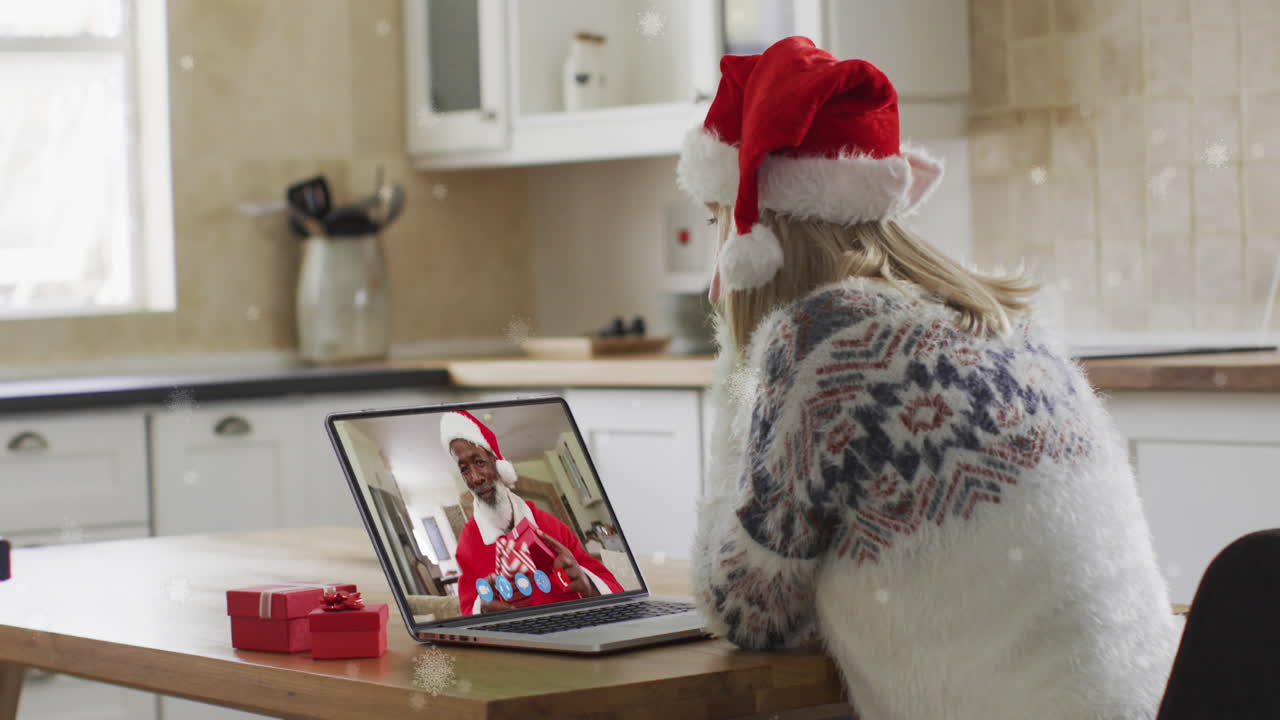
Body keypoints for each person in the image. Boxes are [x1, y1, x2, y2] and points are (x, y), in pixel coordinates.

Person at [679, 36, 1186, 719]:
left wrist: (734, 368)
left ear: (756, 239)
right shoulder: (1005, 322)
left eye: (718, 222)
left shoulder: (818, 344)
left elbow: (746, 612)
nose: (714, 280)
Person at [442, 410, 623, 615]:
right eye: (464, 469)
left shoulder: (549, 524)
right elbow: (468, 612)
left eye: (480, 462)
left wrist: (588, 584)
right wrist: (481, 611)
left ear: (497, 464)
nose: (475, 478)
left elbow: (612, 589)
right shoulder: (467, 543)